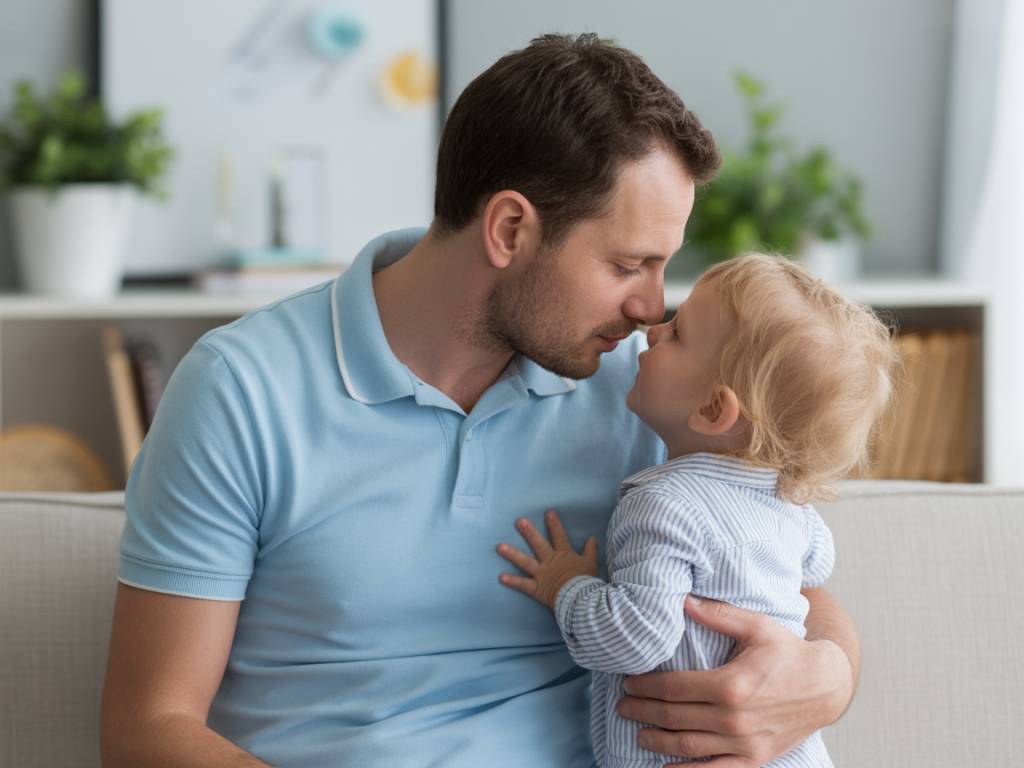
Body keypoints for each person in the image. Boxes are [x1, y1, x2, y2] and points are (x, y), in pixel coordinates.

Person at [100, 35, 860, 768]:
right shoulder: (241, 390)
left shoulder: (649, 389)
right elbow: (148, 729)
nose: (650, 309)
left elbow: (782, 572)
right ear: (509, 229)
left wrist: (827, 676)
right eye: (629, 264)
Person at [497, 254, 896, 767]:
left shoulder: (662, 505)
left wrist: (566, 587)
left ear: (713, 409)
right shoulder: (790, 508)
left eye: (678, 333)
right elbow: (818, 564)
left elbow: (635, 638)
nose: (653, 330)